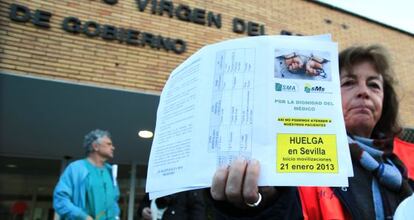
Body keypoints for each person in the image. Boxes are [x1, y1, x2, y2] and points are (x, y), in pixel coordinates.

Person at [210, 45, 413, 219]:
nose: (364, 92)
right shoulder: (301, 154)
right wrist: (257, 208)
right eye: (349, 83)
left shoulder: (402, 163)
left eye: (374, 85)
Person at [53, 129, 120, 220]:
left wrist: (116, 216)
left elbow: (114, 201)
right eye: (109, 144)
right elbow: (60, 200)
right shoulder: (75, 169)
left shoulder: (110, 171)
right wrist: (82, 216)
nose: (113, 147)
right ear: (95, 146)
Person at [137, 190, 207, 220]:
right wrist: (143, 210)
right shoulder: (158, 182)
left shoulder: (190, 187)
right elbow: (144, 202)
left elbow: (197, 214)